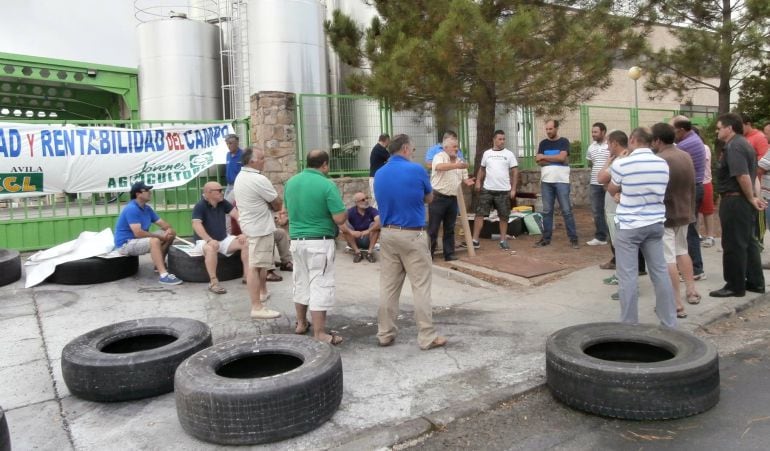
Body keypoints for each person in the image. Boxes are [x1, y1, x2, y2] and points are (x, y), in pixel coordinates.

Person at [374, 133, 446, 350]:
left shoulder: (379, 173)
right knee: (421, 286)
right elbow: (429, 197)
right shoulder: (416, 170)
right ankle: (427, 336)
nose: (413, 154)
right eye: (413, 150)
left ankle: (385, 333)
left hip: (387, 233)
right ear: (405, 148)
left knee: (388, 287)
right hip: (412, 233)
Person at [607, 127, 677, 327]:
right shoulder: (662, 164)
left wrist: (621, 193)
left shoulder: (623, 164)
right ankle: (669, 322)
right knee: (660, 272)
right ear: (651, 141)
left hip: (629, 225)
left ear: (632, 140)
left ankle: (629, 324)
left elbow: (612, 188)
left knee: (628, 277)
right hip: (655, 224)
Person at [285, 150, 347, 345]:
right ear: (325, 165)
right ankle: (320, 333)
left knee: (301, 281)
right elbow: (339, 218)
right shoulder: (326, 185)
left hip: (296, 241)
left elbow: (287, 211)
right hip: (319, 241)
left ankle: (301, 323)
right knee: (319, 284)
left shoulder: (291, 183)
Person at [709, 113, 766, 298]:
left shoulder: (734, 146)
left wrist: (751, 197)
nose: (717, 131)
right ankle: (755, 282)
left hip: (735, 200)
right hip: (741, 200)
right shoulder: (744, 144)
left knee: (733, 244)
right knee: (748, 242)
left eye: (719, 128)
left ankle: (735, 285)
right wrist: (753, 197)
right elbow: (751, 174)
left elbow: (742, 175)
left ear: (729, 128)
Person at [651, 123, 700, 318]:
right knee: (682, 251)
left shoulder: (661, 159)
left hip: (667, 215)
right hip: (685, 212)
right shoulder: (685, 155)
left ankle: (676, 302)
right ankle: (691, 290)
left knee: (668, 258)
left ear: (658, 140)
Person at [233, 147, 282, 319]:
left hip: (254, 225)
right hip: (258, 228)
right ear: (252, 161)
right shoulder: (258, 179)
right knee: (254, 266)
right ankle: (257, 306)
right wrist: (269, 205)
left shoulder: (241, 176)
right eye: (261, 158)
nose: (264, 161)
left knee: (261, 264)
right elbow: (277, 204)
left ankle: (262, 292)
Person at [596, 130, 647, 291]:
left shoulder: (620, 160)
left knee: (620, 245)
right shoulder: (627, 158)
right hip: (617, 206)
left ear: (615, 143)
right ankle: (622, 274)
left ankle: (624, 280)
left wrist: (608, 163)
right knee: (620, 244)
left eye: (608, 144)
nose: (607, 148)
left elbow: (601, 179)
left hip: (616, 208)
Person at [114, 181, 181, 285]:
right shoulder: (132, 208)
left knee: (171, 233)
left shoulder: (147, 208)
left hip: (138, 240)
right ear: (138, 194)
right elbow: (138, 233)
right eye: (147, 190)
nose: (150, 192)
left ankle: (158, 265)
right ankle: (164, 275)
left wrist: (168, 230)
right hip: (125, 244)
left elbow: (164, 225)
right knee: (154, 241)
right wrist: (160, 237)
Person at [191, 181, 248, 294]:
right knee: (211, 249)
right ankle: (213, 282)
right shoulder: (200, 206)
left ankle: (247, 276)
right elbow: (196, 224)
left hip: (223, 239)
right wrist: (209, 240)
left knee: (246, 243)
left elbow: (238, 217)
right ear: (208, 192)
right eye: (219, 190)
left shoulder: (223, 203)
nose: (222, 192)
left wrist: (244, 233)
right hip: (204, 241)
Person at [671, 116, 707, 280]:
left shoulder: (686, 145)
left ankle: (696, 269)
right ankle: (695, 267)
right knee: (690, 229)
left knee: (690, 230)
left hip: (691, 190)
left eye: (673, 130)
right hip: (695, 188)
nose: (672, 133)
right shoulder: (693, 139)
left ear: (681, 130)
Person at [470, 130, 519, 250]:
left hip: (503, 191)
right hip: (487, 189)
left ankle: (503, 241)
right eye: (500, 139)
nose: (502, 141)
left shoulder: (509, 154)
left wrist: (513, 189)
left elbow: (515, 172)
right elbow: (482, 169)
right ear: (494, 139)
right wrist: (478, 181)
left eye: (503, 139)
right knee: (480, 214)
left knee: (504, 216)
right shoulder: (487, 153)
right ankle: (475, 240)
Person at [429, 135, 475, 260]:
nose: (456, 149)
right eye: (454, 146)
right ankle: (429, 255)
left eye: (457, 147)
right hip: (438, 197)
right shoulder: (439, 157)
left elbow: (464, 178)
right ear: (446, 147)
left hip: (452, 198)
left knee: (450, 228)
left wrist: (468, 181)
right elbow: (439, 167)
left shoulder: (460, 161)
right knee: (433, 228)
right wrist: (456, 166)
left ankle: (449, 254)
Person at [534, 119, 578, 248]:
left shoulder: (563, 141)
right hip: (546, 181)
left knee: (567, 210)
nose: (548, 131)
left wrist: (545, 157)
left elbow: (562, 158)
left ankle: (573, 239)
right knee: (547, 211)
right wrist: (556, 159)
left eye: (550, 129)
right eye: (546, 129)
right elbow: (538, 160)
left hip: (561, 181)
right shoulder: (543, 143)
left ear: (556, 128)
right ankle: (546, 238)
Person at [586, 122, 609, 246]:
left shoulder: (609, 146)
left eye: (596, 132)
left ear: (603, 132)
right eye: (592, 132)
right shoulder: (591, 147)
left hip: (609, 183)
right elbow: (590, 164)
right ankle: (601, 237)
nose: (593, 134)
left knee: (611, 210)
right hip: (594, 183)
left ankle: (614, 236)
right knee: (596, 211)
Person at [340, 192, 381, 263]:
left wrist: (368, 231)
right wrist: (352, 232)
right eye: (363, 200)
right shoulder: (350, 211)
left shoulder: (372, 210)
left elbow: (379, 222)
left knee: (375, 225)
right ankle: (357, 253)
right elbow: (341, 224)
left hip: (368, 239)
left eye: (366, 198)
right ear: (356, 202)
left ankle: (369, 253)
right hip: (354, 240)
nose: (366, 201)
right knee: (346, 227)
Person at [369, 134, 390, 208]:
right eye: (389, 141)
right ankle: (375, 217)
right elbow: (391, 159)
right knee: (376, 199)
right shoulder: (380, 149)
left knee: (378, 198)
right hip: (376, 178)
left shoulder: (378, 148)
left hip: (376, 177)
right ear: (386, 140)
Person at [223, 134, 243, 202]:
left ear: (237, 143)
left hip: (239, 185)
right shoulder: (228, 155)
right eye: (227, 143)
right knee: (225, 204)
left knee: (230, 204)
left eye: (231, 143)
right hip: (229, 185)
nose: (228, 146)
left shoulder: (243, 155)